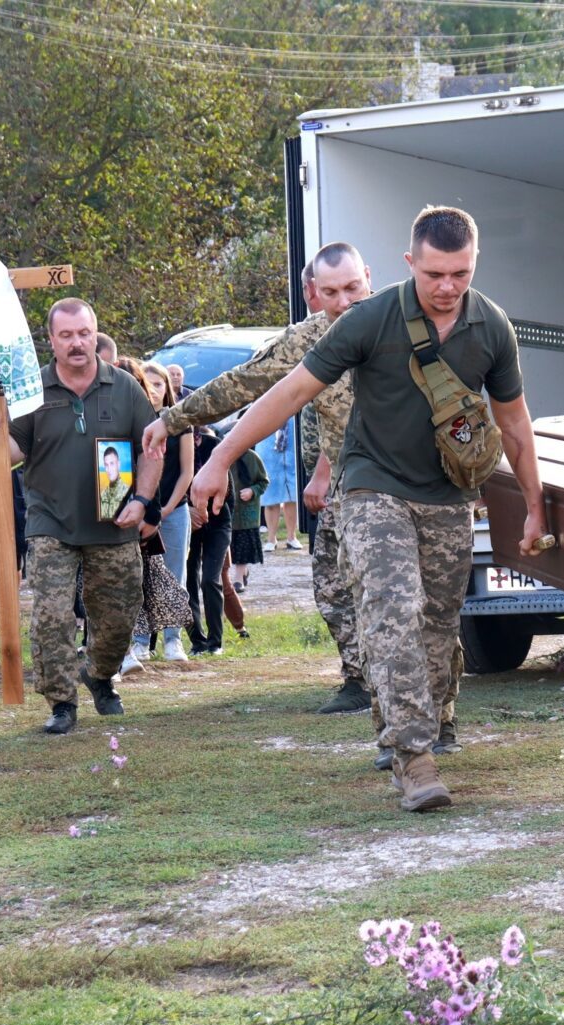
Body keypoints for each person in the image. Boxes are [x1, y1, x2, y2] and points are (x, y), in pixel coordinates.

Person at [188, 206, 547, 813]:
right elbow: (290, 391)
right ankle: (413, 756)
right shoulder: (371, 320)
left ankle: (426, 721)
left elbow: (514, 422)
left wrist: (535, 504)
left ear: (473, 264)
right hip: (372, 488)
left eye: (459, 273)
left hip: (447, 496)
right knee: (391, 608)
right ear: (410, 264)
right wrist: (220, 457)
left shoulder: (491, 328)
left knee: (437, 623)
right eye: (434, 273)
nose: (447, 287)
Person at [143, 241, 375, 715]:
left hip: (406, 485)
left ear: (368, 277)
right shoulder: (308, 339)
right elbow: (243, 383)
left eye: (353, 287)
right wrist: (173, 418)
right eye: (332, 291)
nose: (345, 301)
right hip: (349, 487)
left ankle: (424, 696)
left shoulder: (398, 323)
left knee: (400, 594)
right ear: (313, 293)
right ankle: (359, 678)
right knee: (331, 583)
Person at [0, 297, 163, 734]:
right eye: (66, 335)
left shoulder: (125, 387)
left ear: (95, 333)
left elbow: (152, 447)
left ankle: (99, 673)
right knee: (51, 613)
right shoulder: (34, 391)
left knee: (119, 618)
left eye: (84, 333)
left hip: (113, 520)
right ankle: (62, 702)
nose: (76, 343)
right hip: (50, 521)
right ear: (50, 340)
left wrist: (142, 500)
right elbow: (13, 453)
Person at [120, 359, 194, 669]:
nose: (152, 389)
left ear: (167, 387)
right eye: (146, 383)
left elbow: (186, 471)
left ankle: (173, 639)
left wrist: (164, 508)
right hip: (136, 509)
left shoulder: (179, 422)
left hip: (173, 510)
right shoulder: (128, 422)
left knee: (174, 574)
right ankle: (139, 641)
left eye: (158, 383)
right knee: (138, 577)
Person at [185, 425, 235, 654]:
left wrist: (206, 509)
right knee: (188, 581)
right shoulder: (177, 445)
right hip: (188, 520)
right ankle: (197, 641)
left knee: (210, 579)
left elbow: (228, 491)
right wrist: (188, 510)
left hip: (217, 520)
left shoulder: (214, 445)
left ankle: (216, 642)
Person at [229, 440, 267, 591]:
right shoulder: (224, 458)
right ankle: (241, 571)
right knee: (229, 546)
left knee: (243, 546)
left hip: (247, 513)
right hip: (229, 511)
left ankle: (238, 578)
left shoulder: (252, 457)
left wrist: (252, 491)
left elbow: (263, 482)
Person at [259, 419, 301, 551]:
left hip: (292, 444)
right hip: (268, 445)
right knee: (270, 495)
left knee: (292, 496)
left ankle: (291, 537)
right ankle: (271, 538)